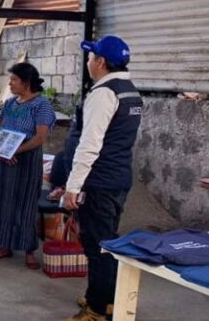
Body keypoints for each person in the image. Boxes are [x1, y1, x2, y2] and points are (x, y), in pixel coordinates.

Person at [61, 35, 143, 321]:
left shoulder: (104, 94)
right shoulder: (130, 91)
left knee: (97, 246)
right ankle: (107, 299)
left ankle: (96, 310)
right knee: (108, 242)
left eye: (90, 57)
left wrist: (73, 187)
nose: (88, 62)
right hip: (118, 177)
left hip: (99, 182)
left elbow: (89, 145)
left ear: (100, 62)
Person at [0, 63, 55, 269]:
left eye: (14, 80)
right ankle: (4, 245)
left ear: (26, 82)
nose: (10, 83)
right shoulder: (9, 103)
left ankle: (28, 250)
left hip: (26, 161)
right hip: (5, 160)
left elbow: (40, 137)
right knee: (4, 202)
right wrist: (1, 151)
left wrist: (14, 151)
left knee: (25, 204)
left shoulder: (41, 105)